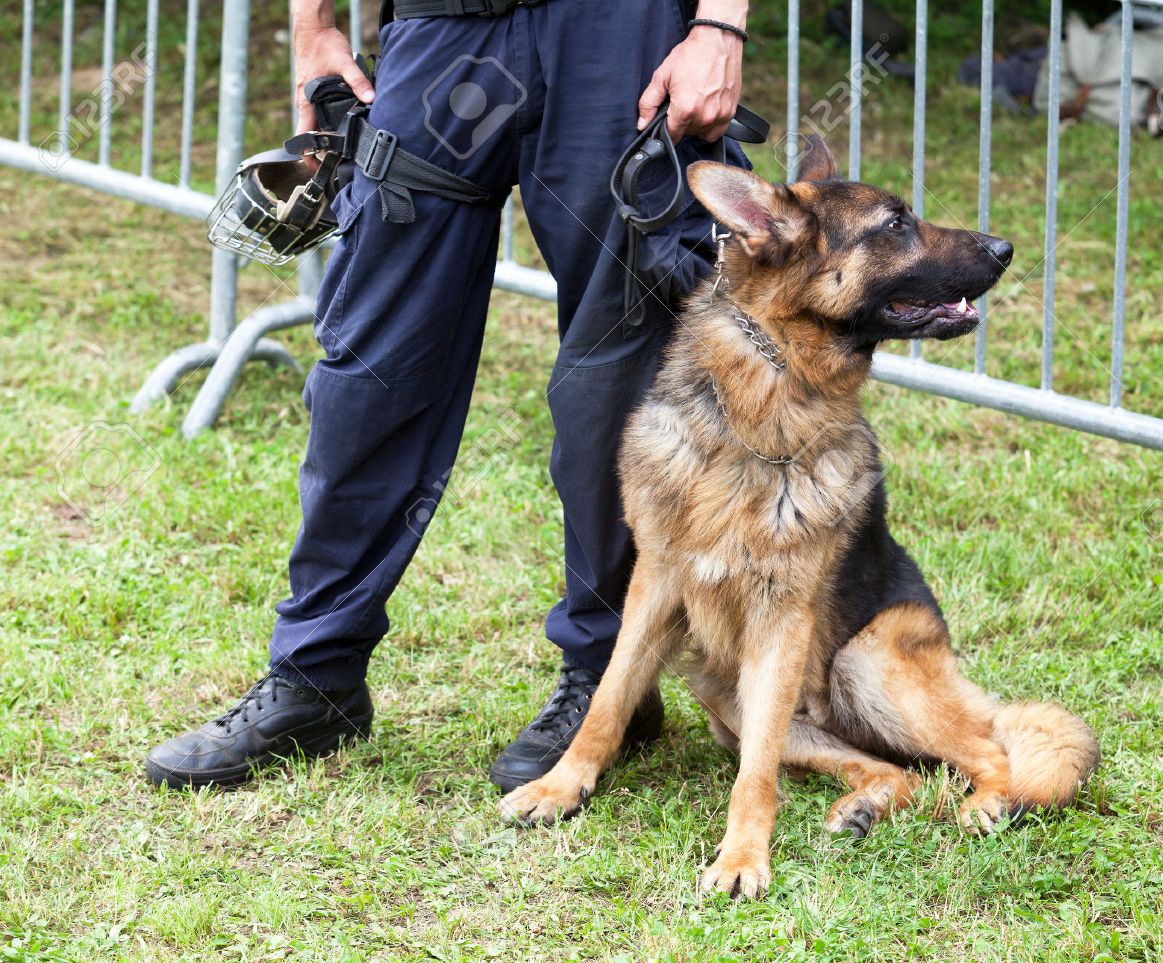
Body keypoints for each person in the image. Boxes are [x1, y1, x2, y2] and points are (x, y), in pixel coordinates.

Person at [145, 0, 750, 792]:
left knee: (615, 381)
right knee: (370, 369)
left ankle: (611, 681)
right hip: (444, 28)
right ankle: (315, 676)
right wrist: (314, 24)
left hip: (614, 29)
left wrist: (720, 27)